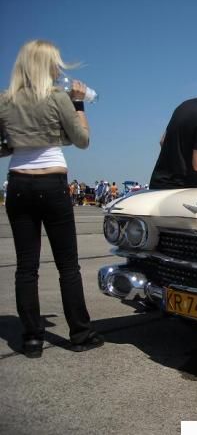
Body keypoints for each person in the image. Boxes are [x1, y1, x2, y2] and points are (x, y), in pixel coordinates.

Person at [0, 40, 104, 357]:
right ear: (46, 65)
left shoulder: (5, 101)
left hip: (17, 184)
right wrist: (79, 104)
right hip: (52, 183)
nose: (59, 68)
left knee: (26, 267)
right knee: (67, 266)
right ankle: (80, 333)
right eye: (55, 63)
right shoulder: (57, 97)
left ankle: (32, 338)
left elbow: (3, 147)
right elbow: (82, 140)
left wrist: (25, 139)